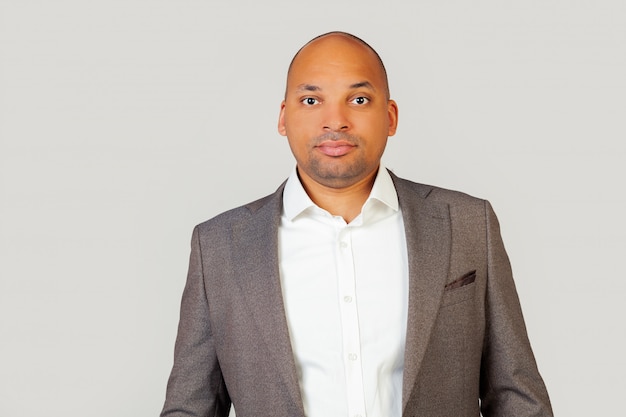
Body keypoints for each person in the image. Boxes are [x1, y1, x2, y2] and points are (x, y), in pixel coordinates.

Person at [160, 31, 553, 417]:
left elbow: (517, 397)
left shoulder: (467, 224)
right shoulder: (220, 246)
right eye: (311, 100)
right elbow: (191, 407)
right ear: (283, 117)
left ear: (390, 116)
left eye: (359, 99)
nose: (336, 120)